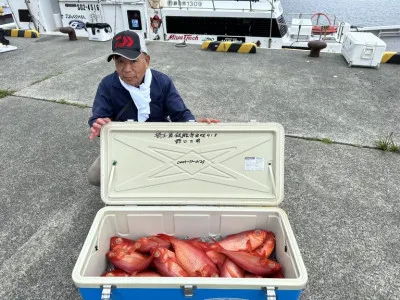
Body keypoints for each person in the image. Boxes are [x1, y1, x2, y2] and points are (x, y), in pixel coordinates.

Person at [87, 30, 219, 186]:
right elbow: (98, 116)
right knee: (95, 176)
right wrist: (98, 123)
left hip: (160, 140)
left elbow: (180, 114)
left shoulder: (162, 81)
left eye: (133, 61)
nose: (126, 69)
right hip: (124, 141)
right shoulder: (107, 85)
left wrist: (194, 124)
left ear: (147, 60)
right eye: (120, 62)